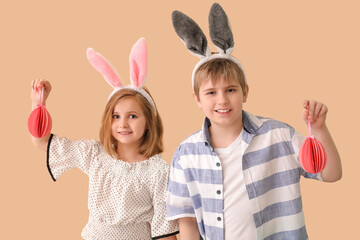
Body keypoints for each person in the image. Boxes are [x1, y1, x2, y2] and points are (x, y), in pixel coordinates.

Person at [166, 3, 342, 240]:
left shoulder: (279, 136)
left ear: (245, 92)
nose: (222, 100)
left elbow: (331, 173)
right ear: (197, 99)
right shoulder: (185, 154)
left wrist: (319, 129)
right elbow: (187, 221)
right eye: (211, 93)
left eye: (230, 90)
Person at [30, 38, 179, 240]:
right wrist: (38, 104)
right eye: (116, 116)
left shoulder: (158, 172)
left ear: (149, 122)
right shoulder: (94, 154)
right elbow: (41, 141)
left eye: (132, 116)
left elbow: (165, 232)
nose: (123, 124)